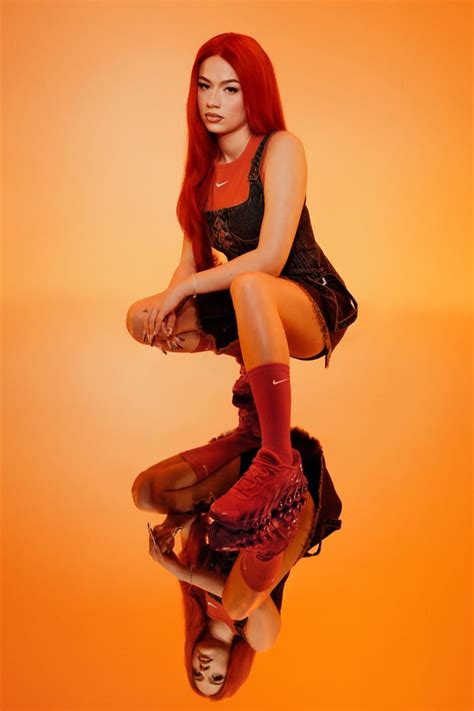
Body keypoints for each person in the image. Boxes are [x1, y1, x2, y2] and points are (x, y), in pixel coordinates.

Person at [126, 32, 358, 570]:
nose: (213, 101)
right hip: (243, 298)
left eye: (230, 89)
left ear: (254, 93)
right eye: (205, 86)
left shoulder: (280, 148)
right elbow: (189, 265)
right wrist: (170, 297)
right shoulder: (202, 170)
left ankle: (278, 460)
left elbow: (271, 258)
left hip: (310, 300)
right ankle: (252, 412)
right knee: (140, 316)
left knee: (250, 284)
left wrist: (186, 289)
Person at [134, 424, 343, 700]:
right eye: (216, 677)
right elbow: (249, 600)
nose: (204, 669)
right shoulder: (257, 638)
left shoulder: (196, 596)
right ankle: (281, 484)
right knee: (239, 604)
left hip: (251, 479)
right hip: (295, 501)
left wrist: (169, 528)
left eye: (196, 674)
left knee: (145, 494)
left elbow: (191, 517)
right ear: (233, 669)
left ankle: (249, 435)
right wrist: (180, 571)